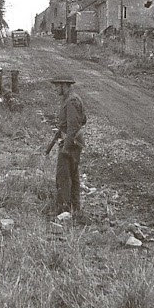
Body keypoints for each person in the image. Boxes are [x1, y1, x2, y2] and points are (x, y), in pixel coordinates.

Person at [50, 75, 87, 216]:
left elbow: (73, 126)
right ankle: (75, 209)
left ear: (64, 85)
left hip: (71, 144)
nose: (55, 89)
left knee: (63, 177)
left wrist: (65, 147)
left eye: (57, 86)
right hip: (74, 142)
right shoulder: (72, 98)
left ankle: (63, 211)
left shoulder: (71, 101)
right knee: (73, 175)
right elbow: (83, 119)